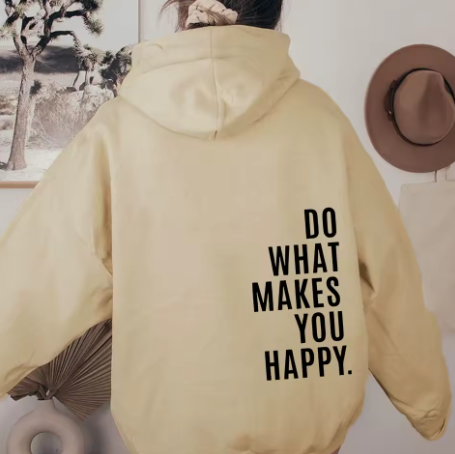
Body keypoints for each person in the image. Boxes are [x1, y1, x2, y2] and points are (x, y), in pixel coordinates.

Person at [0, 1, 451, 453]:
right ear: (274, 15)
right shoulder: (321, 120)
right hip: (304, 430)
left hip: (172, 432)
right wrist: (426, 402)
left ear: (182, 14)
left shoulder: (118, 132)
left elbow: (35, 278)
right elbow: (384, 275)